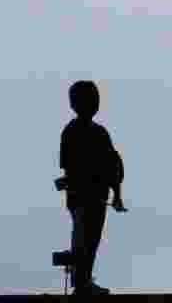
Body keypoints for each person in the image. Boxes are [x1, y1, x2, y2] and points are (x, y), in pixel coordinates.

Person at [59, 80, 127, 295]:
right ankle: (82, 282)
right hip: (83, 195)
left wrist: (117, 194)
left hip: (95, 194)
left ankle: (84, 279)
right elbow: (73, 166)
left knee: (90, 237)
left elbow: (113, 165)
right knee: (84, 237)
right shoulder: (75, 132)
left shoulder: (97, 132)